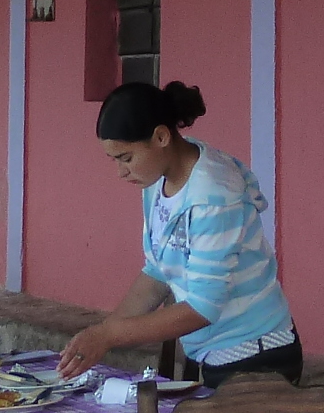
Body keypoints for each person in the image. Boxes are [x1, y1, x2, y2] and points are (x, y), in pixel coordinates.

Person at [56, 80, 301, 385]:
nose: (121, 172)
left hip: (257, 356)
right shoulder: (158, 179)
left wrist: (110, 335)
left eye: (127, 158)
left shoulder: (213, 194)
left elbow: (203, 307)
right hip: (213, 355)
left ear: (161, 137)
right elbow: (157, 272)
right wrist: (100, 335)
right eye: (114, 160)